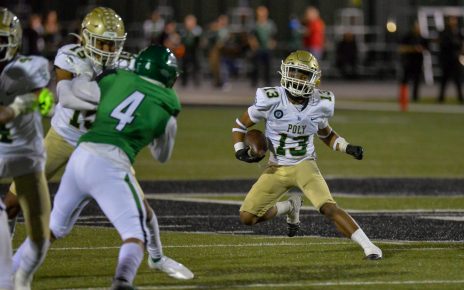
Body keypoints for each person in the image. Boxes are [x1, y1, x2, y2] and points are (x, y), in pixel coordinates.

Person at [4, 6, 193, 281]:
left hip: (102, 144)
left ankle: (157, 257)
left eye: (114, 44)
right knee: (12, 201)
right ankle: (5, 260)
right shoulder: (71, 56)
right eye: (103, 42)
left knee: (144, 210)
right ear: (86, 38)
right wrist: (104, 96)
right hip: (64, 136)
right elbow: (65, 96)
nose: (108, 49)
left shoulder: (127, 63)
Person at [232, 50, 382, 260]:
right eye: (293, 72)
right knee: (247, 217)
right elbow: (240, 125)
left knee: (328, 208)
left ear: (313, 79)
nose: (296, 78)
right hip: (276, 167)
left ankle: (370, 247)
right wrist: (240, 150)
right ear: (285, 72)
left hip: (305, 165)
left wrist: (347, 147)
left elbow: (327, 135)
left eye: (302, 75)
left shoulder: (319, 103)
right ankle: (289, 206)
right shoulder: (271, 99)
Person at [0, 7, 53, 290]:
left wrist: (36, 100)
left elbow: (42, 95)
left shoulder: (28, 66)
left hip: (26, 156)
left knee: (40, 236)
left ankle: (22, 280)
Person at [398, 22, 429, 103]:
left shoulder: (422, 38)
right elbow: (401, 48)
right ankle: (402, 97)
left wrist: (421, 49)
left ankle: (415, 98)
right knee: (404, 80)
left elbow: (427, 48)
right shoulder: (408, 37)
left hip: (418, 63)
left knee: (417, 81)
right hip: (408, 62)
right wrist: (413, 49)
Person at [248, 5, 277, 87]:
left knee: (268, 66)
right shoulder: (255, 24)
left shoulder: (270, 24)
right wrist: (253, 44)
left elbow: (274, 35)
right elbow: (251, 36)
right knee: (255, 67)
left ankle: (268, 82)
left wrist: (272, 43)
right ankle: (254, 82)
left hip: (267, 49)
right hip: (258, 49)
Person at [437, 16, 464, 104]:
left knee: (457, 80)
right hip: (447, 60)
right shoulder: (445, 32)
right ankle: (441, 98)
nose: (453, 22)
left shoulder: (458, 32)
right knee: (444, 80)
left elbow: (460, 44)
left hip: (455, 59)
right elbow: (444, 44)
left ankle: (460, 97)